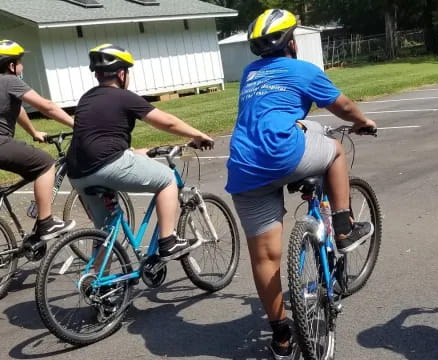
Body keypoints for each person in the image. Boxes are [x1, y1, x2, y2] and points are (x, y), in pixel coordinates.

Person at [225, 9, 377, 359]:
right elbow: (343, 106)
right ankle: (342, 225)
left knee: (265, 257)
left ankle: (281, 337)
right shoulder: (303, 70)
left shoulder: (250, 74)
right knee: (335, 151)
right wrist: (363, 121)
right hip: (284, 153)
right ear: (292, 42)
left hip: (244, 166)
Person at [66, 44, 214, 261]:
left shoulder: (86, 98)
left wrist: (132, 152)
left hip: (77, 173)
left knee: (105, 231)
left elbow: (98, 136)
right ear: (122, 73)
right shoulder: (124, 97)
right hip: (108, 165)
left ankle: (99, 285)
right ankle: (168, 242)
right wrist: (198, 135)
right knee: (166, 179)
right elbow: (167, 122)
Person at [0, 39, 75, 244]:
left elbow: (18, 108)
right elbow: (47, 107)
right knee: (45, 164)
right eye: (20, 61)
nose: (22, 66)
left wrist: (33, 131)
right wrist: (76, 123)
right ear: (11, 65)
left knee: (30, 168)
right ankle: (46, 222)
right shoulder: (10, 81)